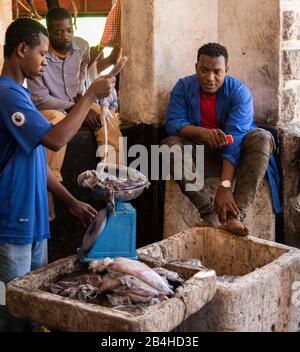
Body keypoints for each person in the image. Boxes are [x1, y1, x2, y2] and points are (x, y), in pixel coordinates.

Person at [0, 17, 115, 331]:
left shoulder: (20, 94)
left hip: (34, 218)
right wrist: (89, 96)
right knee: (15, 309)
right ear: (21, 49)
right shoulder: (6, 95)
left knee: (35, 307)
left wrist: (71, 202)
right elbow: (55, 139)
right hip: (13, 219)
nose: (47, 60)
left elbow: (36, 159)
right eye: (42, 53)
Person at [162, 43, 281, 237]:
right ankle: (210, 213)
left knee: (262, 138)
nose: (210, 78)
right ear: (196, 67)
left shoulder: (239, 92)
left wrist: (225, 186)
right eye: (204, 70)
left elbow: (235, 139)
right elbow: (173, 123)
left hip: (238, 157)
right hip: (201, 156)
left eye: (217, 72)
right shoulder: (183, 87)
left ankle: (235, 216)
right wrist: (201, 133)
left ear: (226, 70)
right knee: (169, 146)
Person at [27, 7, 123, 182]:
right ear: (48, 33)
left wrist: (81, 100)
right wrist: (79, 109)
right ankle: (52, 181)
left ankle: (113, 176)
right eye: (58, 32)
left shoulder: (82, 47)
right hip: (50, 108)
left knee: (106, 116)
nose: (66, 36)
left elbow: (80, 75)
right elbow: (40, 99)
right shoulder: (39, 55)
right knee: (55, 121)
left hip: (75, 104)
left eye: (69, 30)